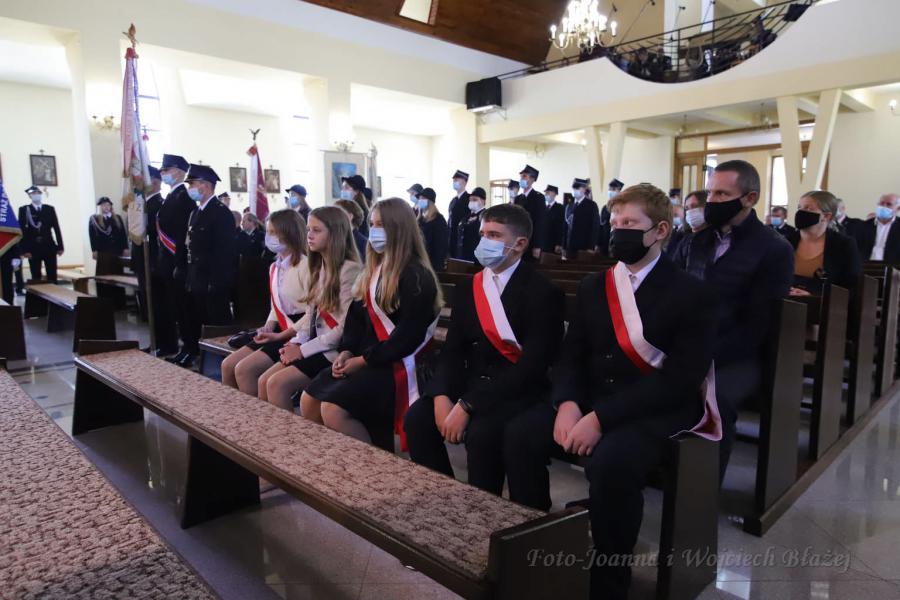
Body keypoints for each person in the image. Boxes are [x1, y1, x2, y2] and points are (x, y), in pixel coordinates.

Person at [506, 184, 719, 600]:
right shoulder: (595, 285)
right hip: (591, 399)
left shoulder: (693, 293)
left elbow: (679, 379)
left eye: (630, 223)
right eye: (615, 222)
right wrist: (567, 403)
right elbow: (571, 355)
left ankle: (609, 581)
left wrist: (601, 419)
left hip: (653, 406)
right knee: (520, 434)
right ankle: (538, 547)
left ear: (660, 231)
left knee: (612, 463)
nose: (618, 230)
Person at [405, 203, 564, 495]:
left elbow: (532, 366)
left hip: (517, 390)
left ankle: (485, 506)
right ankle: (443, 497)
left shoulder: (543, 292)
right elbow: (453, 350)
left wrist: (468, 404)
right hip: (472, 381)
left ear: (520, 244)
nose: (484, 241)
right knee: (417, 418)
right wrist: (441, 395)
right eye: (483, 234)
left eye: (494, 235)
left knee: (482, 432)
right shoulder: (469, 287)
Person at [672, 160, 794, 479]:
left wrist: (703, 356)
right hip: (689, 346)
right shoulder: (694, 241)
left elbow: (757, 326)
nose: (711, 201)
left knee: (713, 400)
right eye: (710, 192)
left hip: (737, 356)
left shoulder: (773, 249)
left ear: (749, 198)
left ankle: (701, 489)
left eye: (722, 194)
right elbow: (671, 293)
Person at [301, 197, 441, 446]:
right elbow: (355, 321)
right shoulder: (374, 270)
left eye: (381, 225)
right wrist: (346, 351)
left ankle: (369, 465)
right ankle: (332, 460)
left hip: (395, 364)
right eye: (373, 224)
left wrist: (361, 360)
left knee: (333, 409)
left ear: (399, 229)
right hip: (367, 358)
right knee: (309, 400)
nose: (374, 231)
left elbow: (407, 337)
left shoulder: (416, 276)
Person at [257, 207, 363, 411]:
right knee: (264, 381)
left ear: (335, 234)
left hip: (335, 350)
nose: (309, 235)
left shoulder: (349, 270)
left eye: (317, 230)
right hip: (317, 343)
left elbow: (343, 328)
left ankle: (289, 433)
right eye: (308, 230)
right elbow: (310, 315)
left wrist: (302, 350)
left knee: (276, 384)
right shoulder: (319, 266)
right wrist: (296, 342)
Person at [222, 209, 310, 394]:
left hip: (301, 330)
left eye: (273, 232)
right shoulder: (274, 267)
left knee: (244, 370)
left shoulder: (306, 266)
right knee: (228, 365)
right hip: (281, 327)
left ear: (289, 233)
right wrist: (268, 326)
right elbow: (276, 304)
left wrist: (283, 333)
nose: (269, 237)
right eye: (268, 232)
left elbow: (313, 312)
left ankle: (256, 412)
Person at [175, 164, 237, 368]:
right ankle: (202, 360)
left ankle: (223, 365)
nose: (190, 188)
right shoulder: (196, 213)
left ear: (207, 185)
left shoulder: (220, 213)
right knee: (198, 322)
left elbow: (225, 253)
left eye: (193, 184)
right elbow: (190, 246)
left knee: (217, 325)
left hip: (212, 281)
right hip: (196, 278)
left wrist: (216, 282)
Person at [784, 190, 861, 296]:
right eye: (799, 207)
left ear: (826, 216)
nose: (801, 212)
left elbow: (850, 286)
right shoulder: (786, 242)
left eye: (808, 208)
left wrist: (813, 295)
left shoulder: (843, 245)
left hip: (821, 303)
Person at [157, 153, 196, 362]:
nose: (163, 174)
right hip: (169, 261)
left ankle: (191, 348)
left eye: (167, 170)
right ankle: (185, 346)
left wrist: (178, 262)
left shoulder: (184, 197)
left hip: (177, 261)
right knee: (177, 308)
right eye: (163, 170)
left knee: (185, 308)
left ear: (180, 172)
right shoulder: (172, 196)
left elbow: (182, 234)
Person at [18, 186, 63, 283]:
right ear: (29, 196)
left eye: (38, 193)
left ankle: (53, 292)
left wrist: (60, 246)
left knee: (52, 275)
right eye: (33, 193)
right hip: (33, 248)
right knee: (36, 277)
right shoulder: (24, 210)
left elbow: (56, 228)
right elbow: (22, 231)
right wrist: (24, 250)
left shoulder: (49, 209)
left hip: (49, 246)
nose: (36, 195)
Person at [88, 196, 128, 303]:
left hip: (116, 251)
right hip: (103, 252)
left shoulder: (117, 218)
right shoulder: (94, 219)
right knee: (104, 277)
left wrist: (125, 248)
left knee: (117, 276)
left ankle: (119, 302)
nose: (106, 207)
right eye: (103, 205)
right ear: (99, 207)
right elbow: (92, 236)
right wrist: (94, 250)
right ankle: (105, 302)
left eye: (108, 205)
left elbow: (123, 234)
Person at [853, 193, 900, 262]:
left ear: (898, 208)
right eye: (881, 203)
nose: (884, 206)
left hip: (892, 266)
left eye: (889, 204)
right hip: (866, 265)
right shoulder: (864, 226)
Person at [514, 165, 545, 260]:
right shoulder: (518, 198)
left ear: (532, 179)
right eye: (521, 176)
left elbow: (540, 222)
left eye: (524, 176)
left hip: (531, 241)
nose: (521, 179)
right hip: (517, 240)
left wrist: (537, 245)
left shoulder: (538, 197)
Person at [564, 178, 600, 258]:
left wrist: (591, 246)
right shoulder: (569, 206)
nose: (574, 190)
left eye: (577, 188)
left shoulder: (591, 205)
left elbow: (594, 227)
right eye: (573, 188)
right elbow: (566, 227)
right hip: (569, 246)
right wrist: (563, 245)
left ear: (584, 189)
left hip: (584, 247)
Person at [415, 187, 449, 272]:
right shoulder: (419, 219)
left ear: (430, 201)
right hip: (420, 262)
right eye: (419, 199)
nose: (420, 201)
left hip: (433, 264)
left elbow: (441, 245)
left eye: (423, 198)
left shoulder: (438, 219)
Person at [455, 187, 487, 262]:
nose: (471, 202)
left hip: (476, 258)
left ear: (483, 201)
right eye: (470, 200)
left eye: (475, 200)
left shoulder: (486, 216)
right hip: (462, 257)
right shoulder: (466, 216)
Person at [596, 178, 624, 256]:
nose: (611, 191)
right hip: (604, 244)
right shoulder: (605, 208)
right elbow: (600, 227)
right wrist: (598, 243)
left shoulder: (623, 207)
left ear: (619, 191)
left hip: (617, 244)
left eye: (613, 189)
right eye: (609, 189)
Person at [447, 170, 470, 259]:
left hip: (462, 239)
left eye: (456, 180)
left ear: (464, 181)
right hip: (452, 238)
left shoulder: (468, 198)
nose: (454, 182)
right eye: (453, 180)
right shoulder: (453, 200)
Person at [541, 184, 566, 255]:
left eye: (548, 193)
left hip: (553, 243)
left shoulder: (560, 208)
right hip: (543, 243)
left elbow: (561, 227)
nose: (546, 194)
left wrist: (559, 243)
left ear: (554, 194)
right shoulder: (543, 207)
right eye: (545, 193)